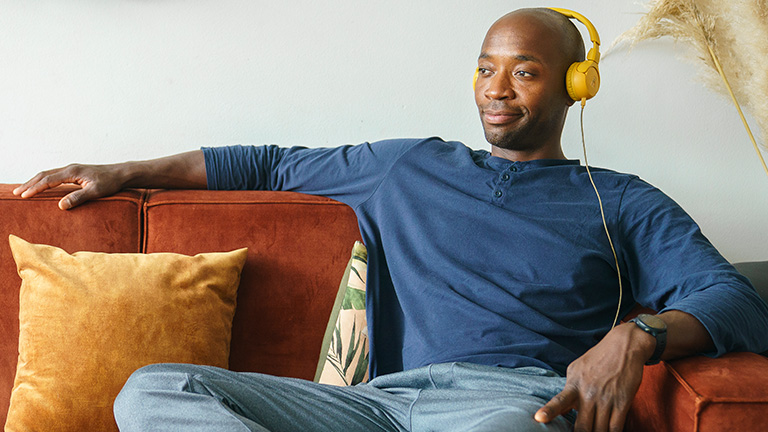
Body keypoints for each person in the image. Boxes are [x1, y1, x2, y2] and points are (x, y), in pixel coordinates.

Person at [13, 8, 768, 432]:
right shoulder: (410, 167)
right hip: (372, 405)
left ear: (577, 86)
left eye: (525, 71)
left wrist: (633, 336)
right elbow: (270, 164)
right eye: (485, 66)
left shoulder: (621, 200)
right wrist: (123, 170)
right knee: (151, 390)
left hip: (501, 407)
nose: (496, 88)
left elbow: (733, 301)